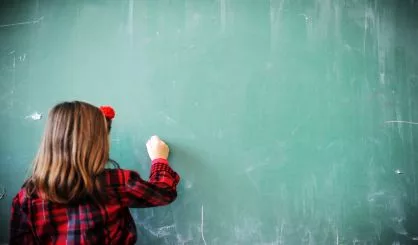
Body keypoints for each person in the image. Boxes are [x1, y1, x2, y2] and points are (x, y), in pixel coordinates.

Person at [9, 101, 180, 245]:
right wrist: (159, 159)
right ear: (97, 143)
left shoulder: (28, 196)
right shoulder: (116, 182)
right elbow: (163, 192)